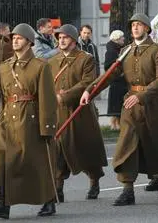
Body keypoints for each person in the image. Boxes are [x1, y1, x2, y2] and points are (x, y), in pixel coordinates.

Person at [80, 13, 158, 206]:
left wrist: (141, 96)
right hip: (130, 107)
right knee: (127, 145)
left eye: (139, 25)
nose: (135, 28)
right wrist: (89, 91)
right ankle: (128, 190)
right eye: (133, 25)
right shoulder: (125, 51)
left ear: (147, 28)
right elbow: (109, 75)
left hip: (154, 105)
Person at [0, 23, 58, 219]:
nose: (15, 40)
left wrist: (47, 127)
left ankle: (49, 200)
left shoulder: (40, 66)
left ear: (29, 42)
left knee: (35, 163)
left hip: (29, 119)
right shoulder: (5, 66)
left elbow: (47, 98)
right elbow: (5, 95)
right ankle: (3, 202)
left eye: (19, 38)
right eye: (13, 38)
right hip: (7, 119)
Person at [49, 24, 108, 202]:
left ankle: (94, 180)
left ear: (74, 40)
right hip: (59, 113)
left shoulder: (86, 59)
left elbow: (88, 82)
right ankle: (58, 187)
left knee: (86, 149)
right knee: (59, 149)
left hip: (80, 112)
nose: (62, 40)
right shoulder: (52, 62)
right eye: (59, 38)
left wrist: (65, 96)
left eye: (65, 37)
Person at [104, 30, 127, 131]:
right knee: (116, 105)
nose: (124, 39)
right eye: (122, 38)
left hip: (121, 82)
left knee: (118, 105)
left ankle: (117, 124)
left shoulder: (119, 49)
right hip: (116, 82)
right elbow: (108, 67)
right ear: (117, 39)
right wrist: (119, 73)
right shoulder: (111, 51)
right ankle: (115, 125)